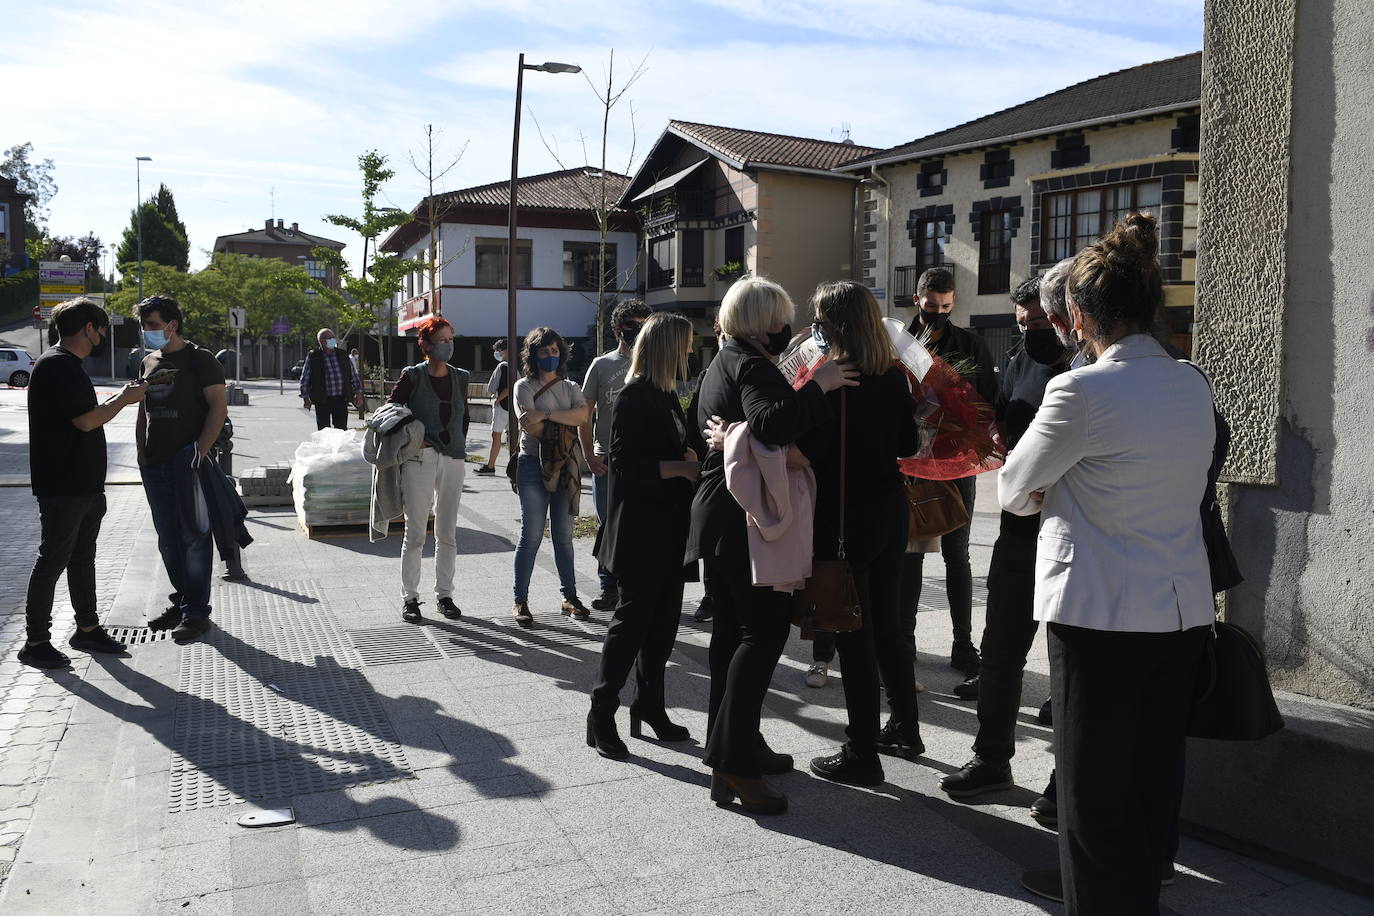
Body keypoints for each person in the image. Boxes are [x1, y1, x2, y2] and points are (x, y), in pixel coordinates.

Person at [1001, 214, 1214, 913]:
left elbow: (1013, 489)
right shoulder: (1192, 383)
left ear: (1082, 316)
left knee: (1093, 793)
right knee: (1153, 773)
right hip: (1180, 613)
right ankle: (1142, 892)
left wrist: (1054, 484)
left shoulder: (1081, 391)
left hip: (1099, 614)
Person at [687, 276, 857, 815]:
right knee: (759, 638)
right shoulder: (754, 365)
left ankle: (734, 751)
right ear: (764, 322)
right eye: (781, 318)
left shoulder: (723, 360)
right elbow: (770, 425)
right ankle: (734, 765)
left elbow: (730, 428)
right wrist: (821, 385)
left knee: (730, 639)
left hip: (718, 518)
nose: (787, 328)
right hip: (747, 524)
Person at [939, 270, 1074, 800]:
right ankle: (991, 759)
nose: (1032, 332)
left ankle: (1066, 783)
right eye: (1023, 322)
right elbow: (1003, 415)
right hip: (1019, 528)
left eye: (1040, 321)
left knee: (1066, 662)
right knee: (999, 651)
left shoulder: (1083, 368)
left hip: (1069, 528)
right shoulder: (1021, 358)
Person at [799, 282, 922, 785]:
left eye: (820, 323)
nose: (816, 331)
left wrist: (812, 389)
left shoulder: (835, 382)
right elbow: (907, 442)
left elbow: (804, 445)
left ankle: (861, 751)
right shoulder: (893, 376)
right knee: (889, 626)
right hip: (888, 514)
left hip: (843, 519)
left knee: (853, 632)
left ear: (837, 326)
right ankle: (906, 727)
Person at [586, 313, 699, 758]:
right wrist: (681, 467)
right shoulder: (634, 396)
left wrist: (687, 452)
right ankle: (601, 713)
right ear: (668, 347)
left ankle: (649, 706)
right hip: (640, 532)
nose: (690, 352)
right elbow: (626, 467)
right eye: (686, 344)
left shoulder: (666, 394)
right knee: (630, 626)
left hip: (668, 528)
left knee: (664, 625)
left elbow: (666, 447)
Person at [18, 298, 148, 669]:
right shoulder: (56, 366)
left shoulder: (68, 366)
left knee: (82, 558)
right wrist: (125, 399)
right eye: (102, 328)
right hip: (63, 485)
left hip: (83, 484)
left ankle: (87, 629)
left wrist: (119, 396)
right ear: (88, 329)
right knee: (52, 561)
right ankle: (36, 642)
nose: (104, 335)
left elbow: (82, 415)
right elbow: (86, 422)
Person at [900, 266, 996, 676]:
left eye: (945, 306)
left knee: (958, 555)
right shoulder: (899, 345)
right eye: (930, 305)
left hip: (957, 465)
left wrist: (961, 423)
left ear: (953, 303)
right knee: (912, 556)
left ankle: (962, 643)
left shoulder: (971, 344)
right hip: (914, 464)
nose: (937, 312)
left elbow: (987, 404)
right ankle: (905, 640)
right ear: (918, 301)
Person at [136, 295, 229, 643]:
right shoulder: (147, 361)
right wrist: (142, 456)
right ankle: (184, 600)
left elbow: (218, 407)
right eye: (145, 326)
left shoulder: (199, 358)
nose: (148, 332)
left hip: (188, 464)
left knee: (194, 538)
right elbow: (142, 410)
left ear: (172, 325)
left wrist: (199, 452)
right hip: (154, 465)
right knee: (168, 541)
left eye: (154, 325)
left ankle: (196, 613)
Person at [386, 316, 470, 623]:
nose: (448, 345)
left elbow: (463, 416)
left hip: (454, 458)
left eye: (451, 339)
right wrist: (414, 438)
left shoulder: (461, 376)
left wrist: (457, 444)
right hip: (420, 459)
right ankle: (410, 598)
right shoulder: (413, 376)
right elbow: (390, 410)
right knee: (417, 531)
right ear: (426, 345)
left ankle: (445, 595)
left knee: (447, 532)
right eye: (442, 341)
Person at [511, 327, 592, 626]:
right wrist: (564, 417)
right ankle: (520, 600)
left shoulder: (571, 386)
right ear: (534, 355)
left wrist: (544, 414)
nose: (550, 356)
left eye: (555, 351)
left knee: (564, 536)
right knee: (531, 536)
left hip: (565, 466)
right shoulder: (523, 385)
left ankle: (569, 597)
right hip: (532, 464)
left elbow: (583, 417)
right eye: (544, 351)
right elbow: (529, 429)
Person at [580, 300, 652, 611]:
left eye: (641, 325)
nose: (635, 332)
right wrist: (588, 456)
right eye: (630, 326)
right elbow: (584, 414)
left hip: (642, 460)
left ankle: (634, 585)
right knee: (607, 524)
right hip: (605, 458)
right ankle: (609, 587)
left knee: (639, 524)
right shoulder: (601, 365)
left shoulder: (653, 364)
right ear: (617, 329)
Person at [300, 328, 364, 430]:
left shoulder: (342, 355)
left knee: (341, 429)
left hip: (340, 398)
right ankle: (325, 446)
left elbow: (353, 375)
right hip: (322, 399)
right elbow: (305, 378)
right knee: (324, 430)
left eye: (332, 338)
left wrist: (359, 394)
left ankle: (339, 446)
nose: (331, 340)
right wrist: (306, 398)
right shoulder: (314, 356)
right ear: (321, 341)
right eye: (327, 338)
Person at [476, 338, 511, 475]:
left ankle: (490, 466)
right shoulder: (514, 366)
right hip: (512, 407)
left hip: (502, 406)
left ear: (504, 351)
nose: (497, 353)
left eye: (498, 350)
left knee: (496, 435)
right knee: (511, 437)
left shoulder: (502, 366)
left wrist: (498, 399)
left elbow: (497, 388)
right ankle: (514, 465)